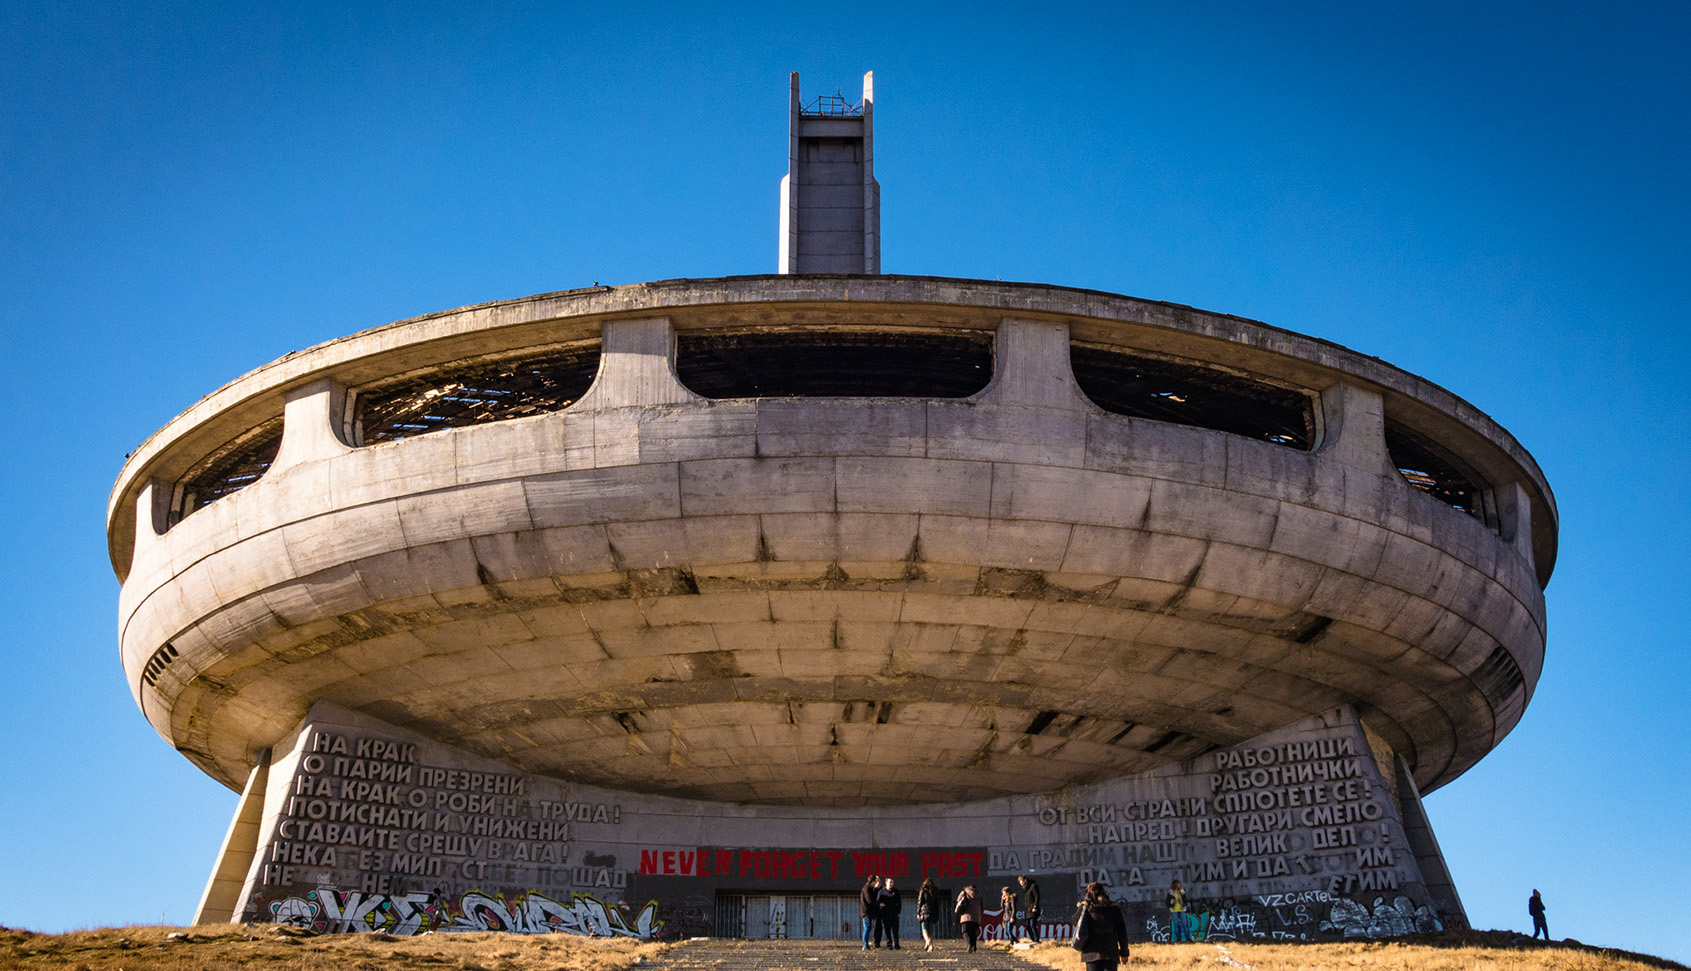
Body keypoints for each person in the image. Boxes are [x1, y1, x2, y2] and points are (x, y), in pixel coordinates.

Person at [1072, 882, 1129, 971]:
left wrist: (1082, 906)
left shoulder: (1086, 908)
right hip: (1110, 953)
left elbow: (1075, 922)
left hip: (1091, 954)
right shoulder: (1114, 909)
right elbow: (1122, 932)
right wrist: (1124, 952)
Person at [955, 884, 984, 952]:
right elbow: (982, 906)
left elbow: (958, 900)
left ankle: (969, 944)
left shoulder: (964, 892)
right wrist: (980, 915)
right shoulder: (978, 894)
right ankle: (974, 946)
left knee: (965, 931)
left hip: (966, 916)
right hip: (976, 918)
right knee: (973, 932)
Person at [916, 878, 941, 951]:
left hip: (924, 912)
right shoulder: (934, 892)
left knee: (924, 929)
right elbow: (937, 904)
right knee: (930, 930)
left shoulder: (923, 891)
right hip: (932, 912)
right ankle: (930, 946)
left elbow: (919, 902)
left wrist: (918, 913)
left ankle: (928, 941)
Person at [880, 876, 904, 949]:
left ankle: (897, 944)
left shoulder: (896, 892)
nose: (891, 884)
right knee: (887, 930)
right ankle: (889, 944)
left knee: (895, 930)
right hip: (885, 915)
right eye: (890, 882)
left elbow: (899, 903)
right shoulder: (881, 892)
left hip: (894, 914)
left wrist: (898, 912)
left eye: (892, 882)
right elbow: (878, 902)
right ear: (886, 882)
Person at [1018, 875, 1041, 943]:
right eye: (1019, 882)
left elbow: (1037, 897)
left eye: (1021, 881)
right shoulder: (1026, 889)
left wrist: (1035, 906)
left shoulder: (1033, 886)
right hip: (1028, 910)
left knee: (1032, 925)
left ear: (1025, 880)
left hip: (1033, 909)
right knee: (1027, 926)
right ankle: (1033, 939)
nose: (1020, 883)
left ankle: (1037, 940)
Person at [860, 876, 881, 950]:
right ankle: (865, 945)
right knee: (867, 927)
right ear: (872, 881)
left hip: (869, 912)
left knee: (868, 928)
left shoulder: (869, 888)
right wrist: (879, 904)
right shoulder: (866, 889)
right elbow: (870, 900)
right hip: (866, 912)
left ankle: (866, 944)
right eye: (875, 881)